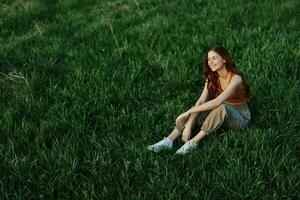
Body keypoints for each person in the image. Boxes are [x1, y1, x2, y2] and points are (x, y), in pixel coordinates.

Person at [147, 46, 251, 155]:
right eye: (209, 59)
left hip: (240, 117)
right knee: (202, 106)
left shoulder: (236, 79)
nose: (210, 62)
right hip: (223, 109)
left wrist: (188, 112)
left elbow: (217, 102)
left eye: (214, 58)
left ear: (224, 59)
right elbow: (201, 101)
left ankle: (193, 142)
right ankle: (168, 140)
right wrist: (189, 123)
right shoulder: (212, 77)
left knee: (219, 107)